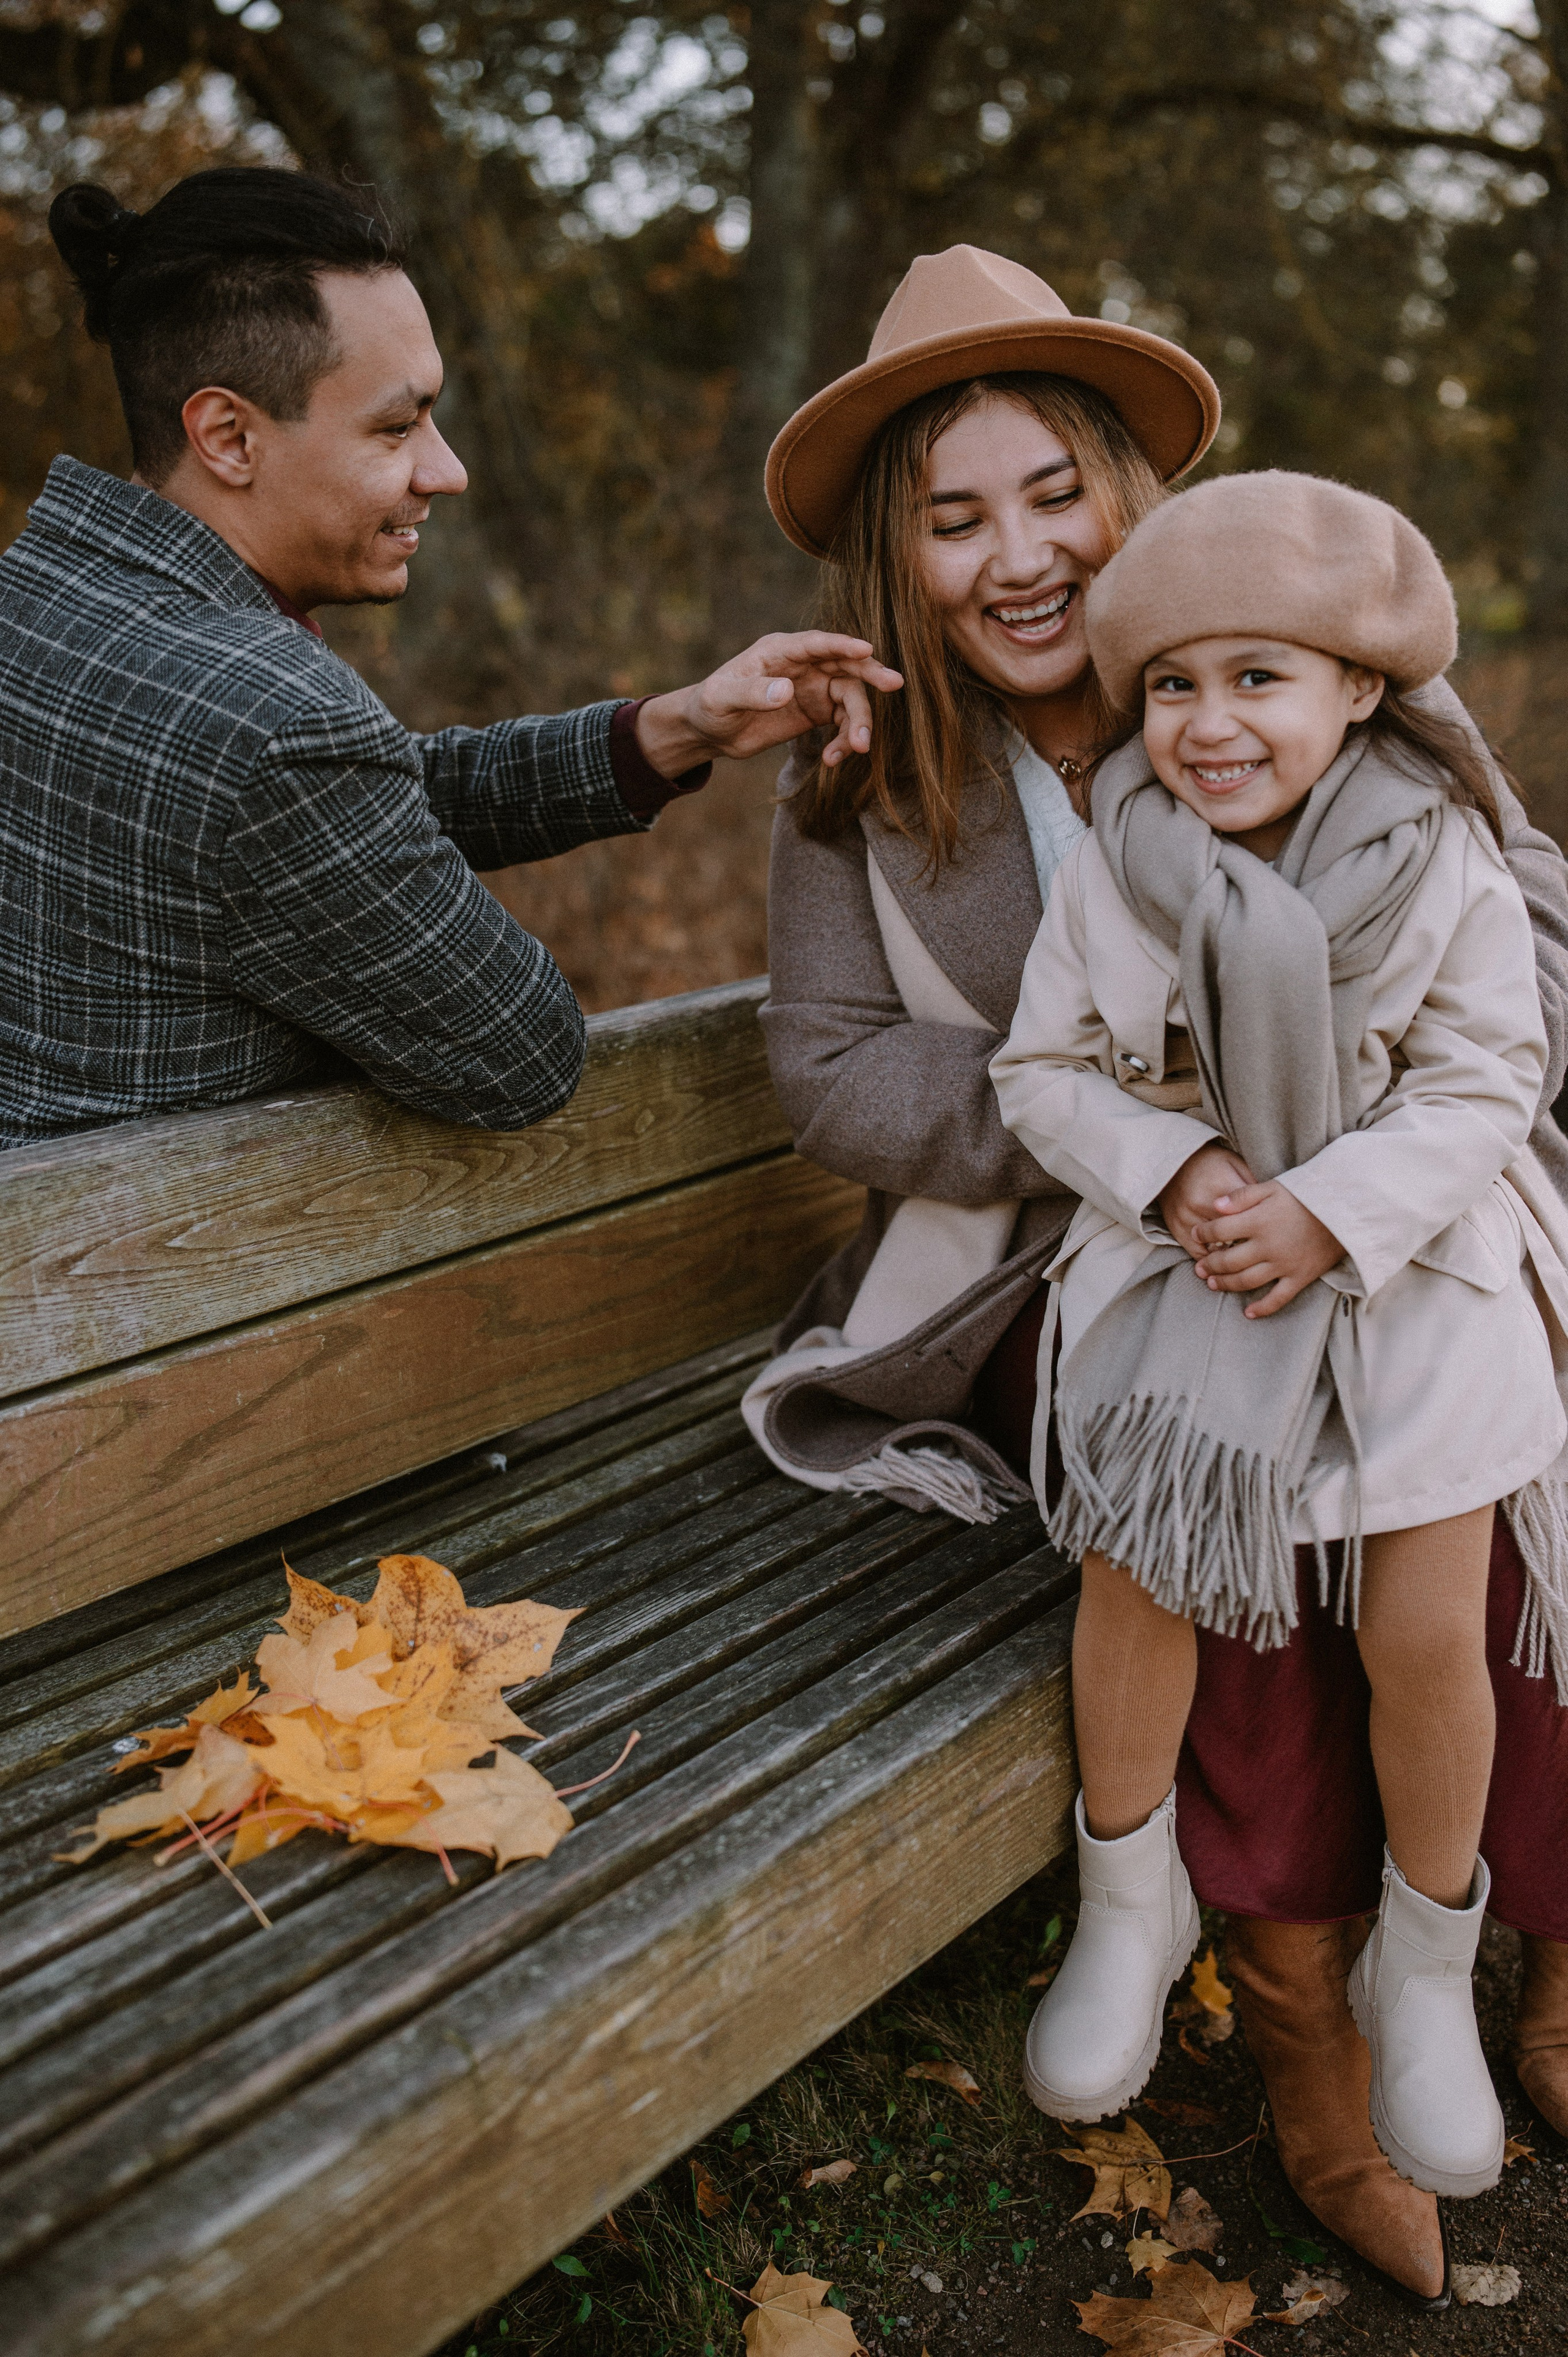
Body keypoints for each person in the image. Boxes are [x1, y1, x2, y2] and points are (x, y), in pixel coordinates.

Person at [753, 244, 1568, 2305]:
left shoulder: (1282, 636)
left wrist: (1365, 1143)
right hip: (1076, 1257)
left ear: (1129, 496)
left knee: (1488, 1476)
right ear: (902, 558)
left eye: (1056, 494)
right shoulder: (870, 774)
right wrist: (1165, 1139)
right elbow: (833, 1069)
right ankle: (1305, 2024)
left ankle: (1522, 1932)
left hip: (1385, 1197)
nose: (1019, 555)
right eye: (956, 521)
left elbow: (1526, 931)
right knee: (1234, 1506)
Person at [990, 470, 1568, 2202]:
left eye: (1262, 678)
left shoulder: (1443, 858)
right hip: (1201, 1263)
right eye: (1173, 685)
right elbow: (1043, 1073)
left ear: (1363, 690)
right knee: (1137, 1563)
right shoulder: (1119, 868)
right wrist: (1178, 1174)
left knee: (1427, 1618)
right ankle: (1130, 1893)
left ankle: (1428, 1960)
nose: (1210, 724)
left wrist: (1346, 1204)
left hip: (1404, 1277)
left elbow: (1490, 1074)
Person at [0, 167, 898, 1147]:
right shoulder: (274, 720)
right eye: (396, 425)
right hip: (183, 1284)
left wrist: (675, 729)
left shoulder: (43, 600)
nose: (447, 469)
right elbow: (518, 1053)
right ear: (228, 436)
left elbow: (354, 810)